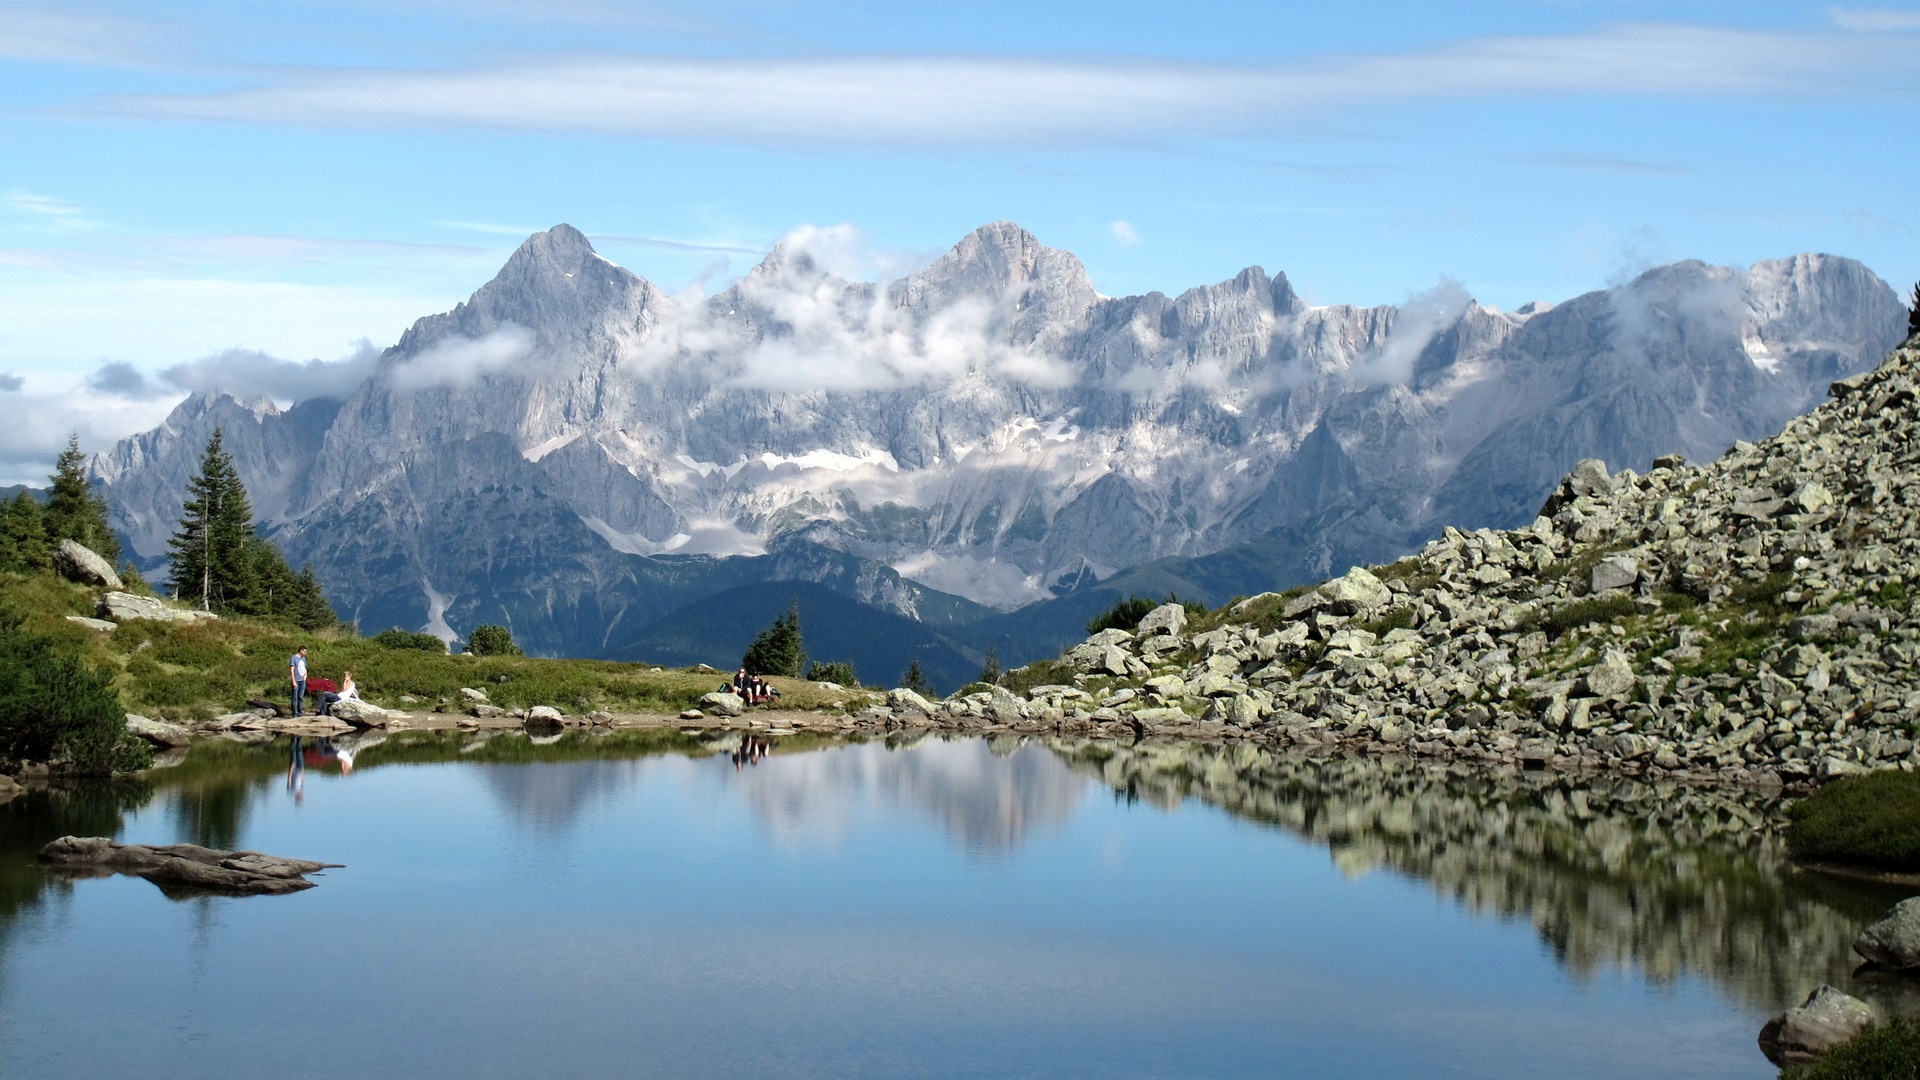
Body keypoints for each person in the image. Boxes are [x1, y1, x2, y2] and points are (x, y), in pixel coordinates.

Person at [289, 646, 309, 717]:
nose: (306, 653)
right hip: (296, 680)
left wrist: (305, 675)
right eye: (305, 651)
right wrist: (293, 681)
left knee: (301, 697)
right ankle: (294, 713)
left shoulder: (303, 658)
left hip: (302, 680)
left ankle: (300, 712)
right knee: (295, 697)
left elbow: (304, 667)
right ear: (301, 651)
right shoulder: (294, 658)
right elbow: (292, 670)